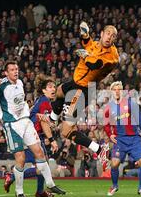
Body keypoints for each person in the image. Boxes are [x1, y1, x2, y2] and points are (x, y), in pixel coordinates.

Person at [0, 61, 63, 197]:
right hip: (12, 125)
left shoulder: (19, 83)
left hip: (25, 121)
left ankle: (50, 184)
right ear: (6, 73)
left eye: (17, 69)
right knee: (20, 159)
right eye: (12, 70)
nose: (15, 72)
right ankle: (19, 191)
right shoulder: (2, 85)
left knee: (40, 153)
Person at [51, 22, 119, 168]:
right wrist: (85, 34)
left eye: (113, 36)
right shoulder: (96, 44)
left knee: (66, 131)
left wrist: (86, 56)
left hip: (86, 89)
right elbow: (88, 44)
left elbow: (95, 65)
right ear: (101, 34)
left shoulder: (112, 56)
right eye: (108, 33)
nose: (109, 37)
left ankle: (100, 149)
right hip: (76, 81)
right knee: (59, 91)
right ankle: (52, 120)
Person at [3, 78, 65, 197]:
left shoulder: (41, 100)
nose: (53, 89)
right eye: (50, 87)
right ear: (43, 90)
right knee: (42, 165)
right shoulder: (45, 102)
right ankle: (12, 177)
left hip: (32, 134)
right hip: (31, 135)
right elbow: (42, 122)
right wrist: (52, 140)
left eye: (54, 87)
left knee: (42, 165)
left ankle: (40, 191)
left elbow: (39, 118)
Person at [104, 81, 141, 196]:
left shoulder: (131, 103)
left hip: (134, 139)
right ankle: (114, 186)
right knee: (114, 164)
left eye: (119, 89)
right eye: (115, 89)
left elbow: (140, 118)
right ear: (111, 91)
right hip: (120, 140)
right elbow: (105, 123)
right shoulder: (109, 107)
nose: (117, 91)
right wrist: (110, 134)